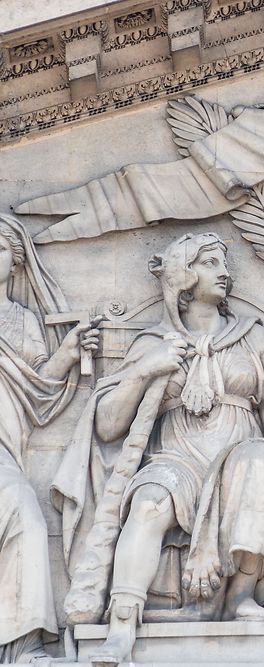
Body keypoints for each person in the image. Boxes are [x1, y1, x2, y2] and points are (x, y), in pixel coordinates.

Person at [52, 233, 264, 664]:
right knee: (150, 501)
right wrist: (143, 372)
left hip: (237, 455)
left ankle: (240, 595)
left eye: (223, 263)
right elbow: (109, 425)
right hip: (175, 458)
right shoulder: (151, 344)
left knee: (263, 460)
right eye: (210, 263)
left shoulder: (251, 337)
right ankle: (122, 623)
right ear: (183, 277)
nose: (224, 272)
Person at [0, 214, 99, 663]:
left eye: (0, 249)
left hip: (3, 453)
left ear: (15, 262)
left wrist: (69, 352)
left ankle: (23, 647)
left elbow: (38, 389)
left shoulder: (22, 322)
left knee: (27, 516)